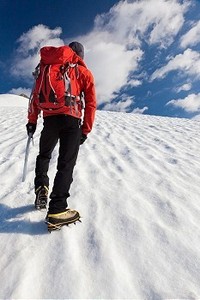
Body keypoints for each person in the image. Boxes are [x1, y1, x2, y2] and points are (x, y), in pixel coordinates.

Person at [26, 41, 97, 227]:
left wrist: (32, 122)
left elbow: (34, 97)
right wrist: (86, 130)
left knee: (44, 155)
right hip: (71, 121)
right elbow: (90, 103)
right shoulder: (83, 72)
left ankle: (41, 186)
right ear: (80, 55)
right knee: (66, 164)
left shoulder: (46, 68)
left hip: (49, 120)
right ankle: (57, 209)